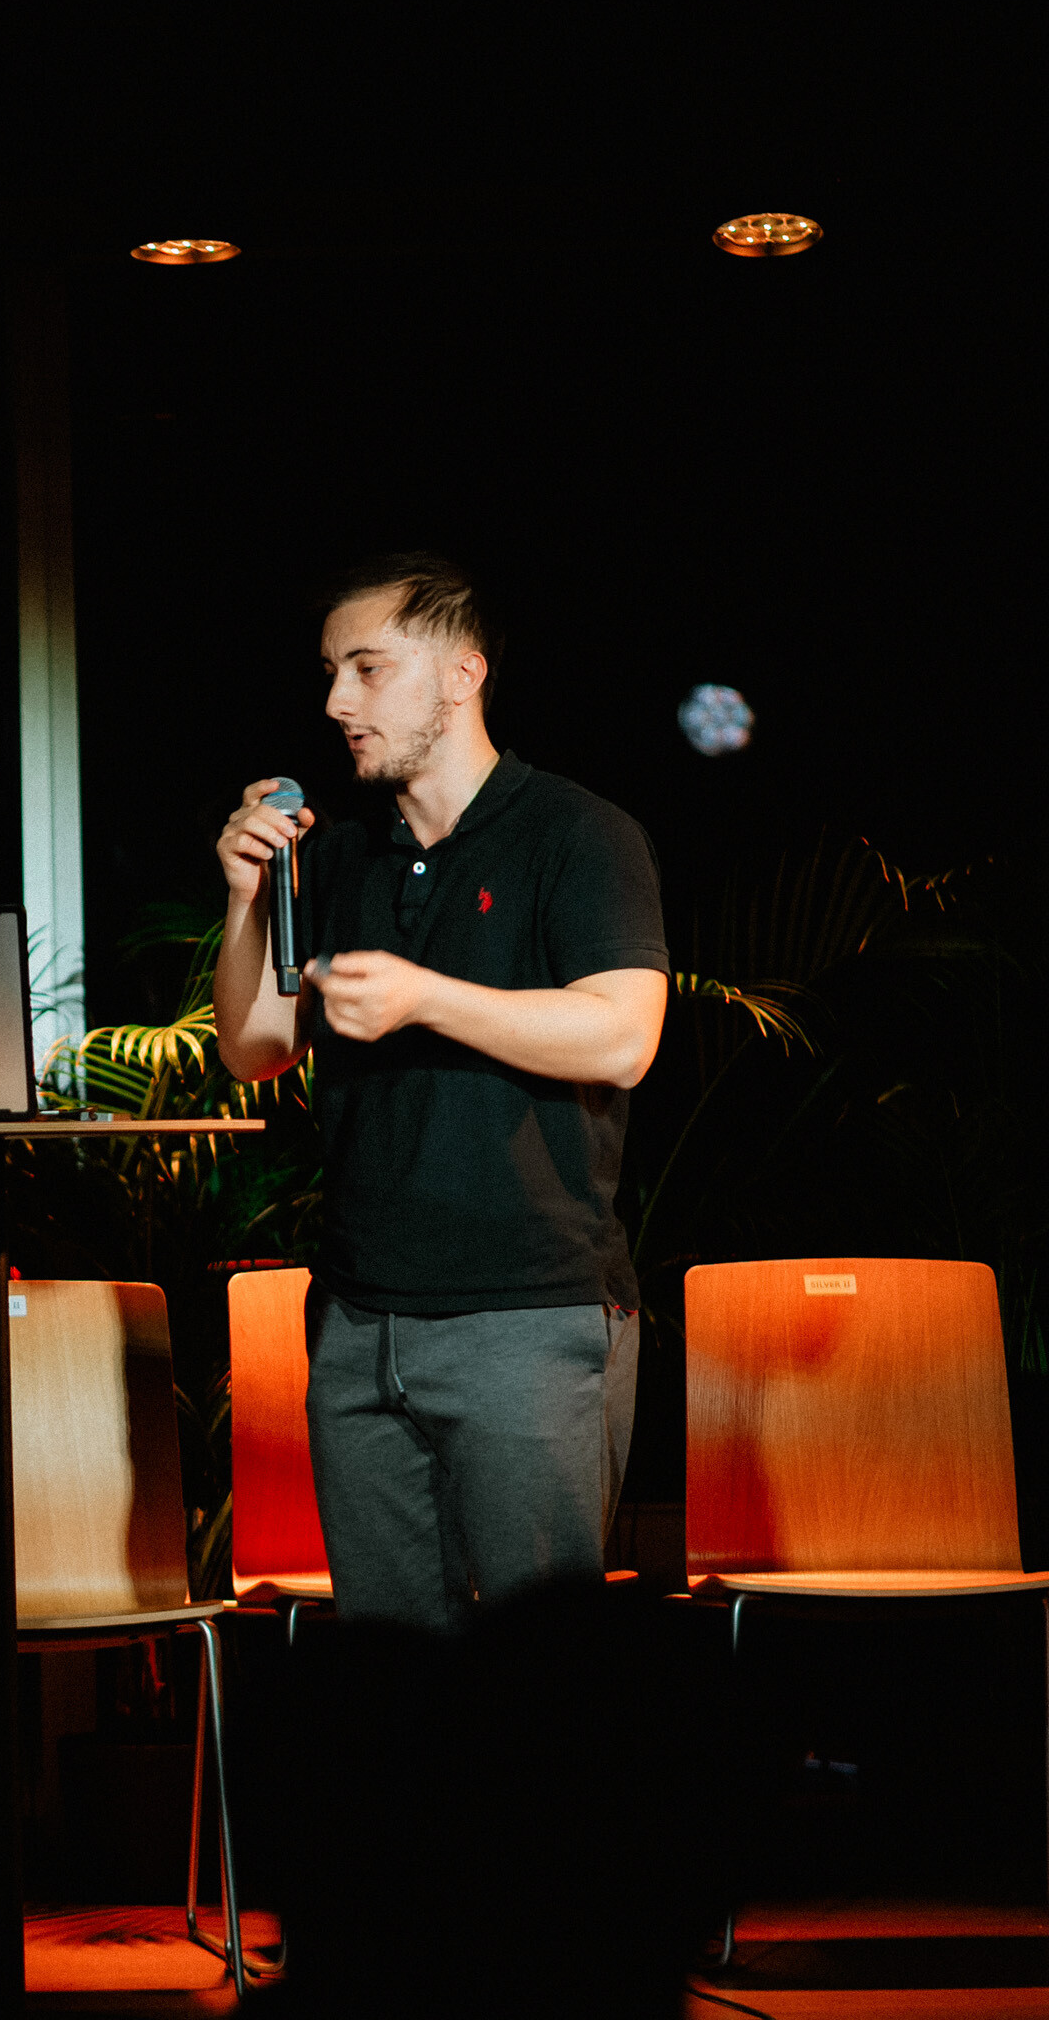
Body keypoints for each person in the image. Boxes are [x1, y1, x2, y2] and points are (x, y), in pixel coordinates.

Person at [212, 552, 668, 1634]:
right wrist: (245, 900)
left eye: (368, 669)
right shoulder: (340, 859)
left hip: (527, 1316)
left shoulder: (575, 832)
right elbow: (254, 1046)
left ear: (462, 675)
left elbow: (623, 1036)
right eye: (332, 672)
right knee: (390, 1681)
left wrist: (427, 998)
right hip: (358, 1321)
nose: (338, 702)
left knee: (536, 1670)